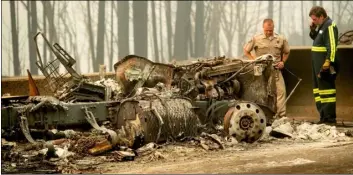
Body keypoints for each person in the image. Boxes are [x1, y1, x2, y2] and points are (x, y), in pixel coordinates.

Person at [243, 18, 290, 118]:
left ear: (273, 28)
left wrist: (282, 62)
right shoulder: (256, 39)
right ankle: (259, 115)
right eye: (266, 30)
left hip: (275, 69)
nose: (269, 32)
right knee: (260, 92)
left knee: (281, 91)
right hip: (261, 71)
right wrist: (254, 60)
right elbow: (246, 50)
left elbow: (287, 51)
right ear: (263, 28)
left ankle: (281, 115)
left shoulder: (280, 39)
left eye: (271, 30)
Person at [309, 6, 339, 125]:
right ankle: (323, 116)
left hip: (324, 64)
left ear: (322, 16)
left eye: (315, 19)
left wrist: (328, 61)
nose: (313, 21)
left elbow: (332, 45)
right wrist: (313, 30)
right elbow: (316, 39)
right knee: (318, 90)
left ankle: (330, 118)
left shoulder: (330, 26)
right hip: (316, 63)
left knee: (327, 90)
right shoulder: (321, 26)